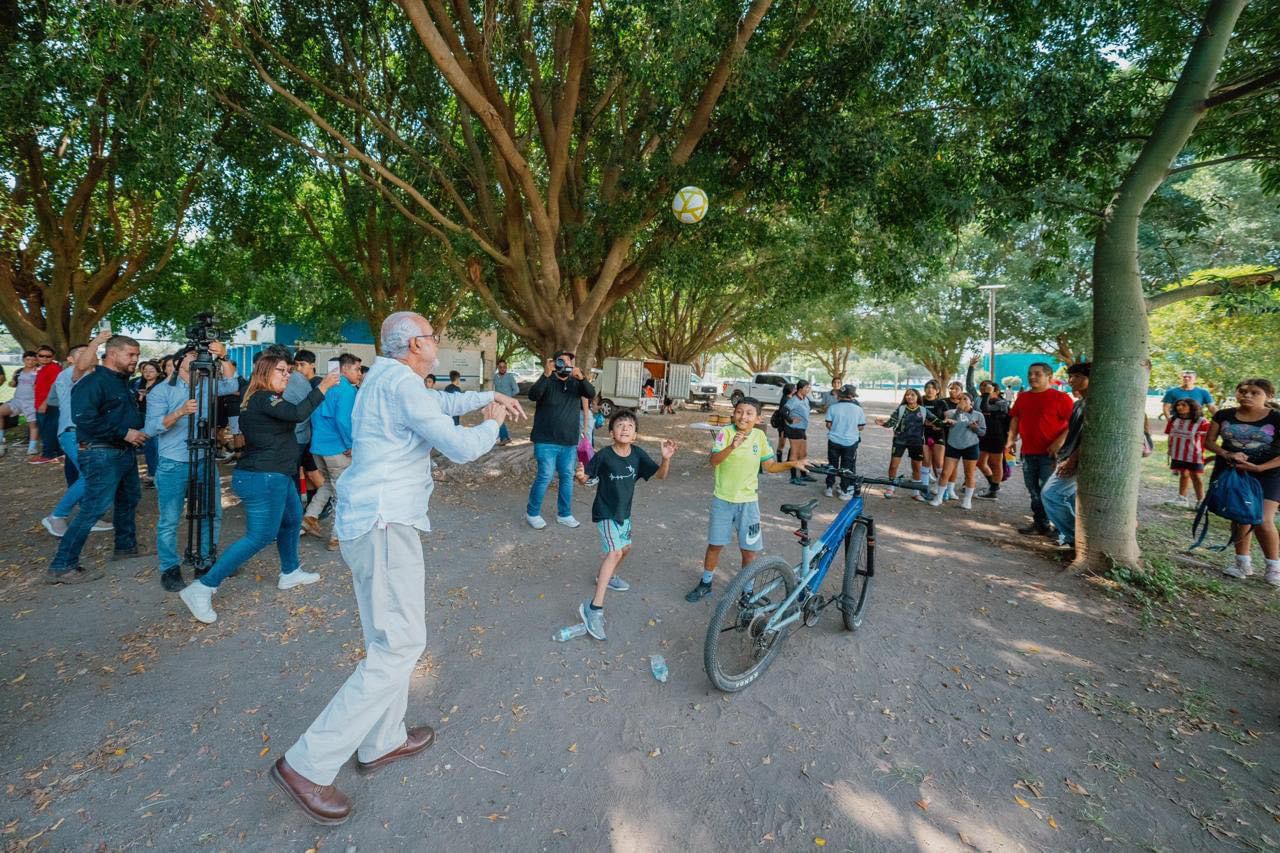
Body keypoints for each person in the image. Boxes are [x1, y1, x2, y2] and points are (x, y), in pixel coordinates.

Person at [268, 311, 521, 825]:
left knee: (388, 642)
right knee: (400, 645)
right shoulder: (400, 384)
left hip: (375, 521)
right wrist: (493, 421)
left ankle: (382, 740)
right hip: (385, 524)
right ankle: (307, 764)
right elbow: (458, 446)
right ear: (412, 345)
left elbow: (439, 404)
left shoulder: (391, 377)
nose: (438, 340)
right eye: (431, 335)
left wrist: (483, 398)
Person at [176, 355, 339, 620]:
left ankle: (290, 571)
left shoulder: (267, 398)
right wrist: (323, 386)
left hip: (278, 474)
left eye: (289, 371)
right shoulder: (264, 398)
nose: (287, 375)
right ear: (264, 372)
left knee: (292, 520)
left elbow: (289, 418)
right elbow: (297, 415)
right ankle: (203, 587)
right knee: (260, 535)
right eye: (282, 371)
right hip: (263, 477)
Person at [684, 397, 808, 602]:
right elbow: (714, 461)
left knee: (749, 551)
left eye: (749, 413)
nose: (743, 416)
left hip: (749, 503)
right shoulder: (725, 433)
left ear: (758, 417)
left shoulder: (759, 437)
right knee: (715, 545)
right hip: (722, 500)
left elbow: (769, 467)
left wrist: (792, 464)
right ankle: (706, 583)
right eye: (739, 411)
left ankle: (747, 590)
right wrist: (732, 446)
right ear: (734, 414)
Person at [46, 335, 148, 584]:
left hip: (123, 451)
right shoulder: (93, 381)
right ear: (112, 354)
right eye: (131, 355)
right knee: (94, 507)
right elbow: (84, 418)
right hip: (100, 452)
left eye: (137, 354)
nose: (136, 360)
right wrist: (125, 432)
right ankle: (62, 565)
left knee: (129, 498)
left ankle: (125, 548)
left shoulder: (122, 382)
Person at [574, 410, 676, 639]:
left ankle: (607, 578)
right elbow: (585, 479)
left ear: (635, 434)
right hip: (605, 512)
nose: (625, 428)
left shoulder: (637, 455)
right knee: (615, 552)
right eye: (620, 425)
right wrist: (581, 476)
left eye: (629, 425)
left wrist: (666, 458)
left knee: (626, 549)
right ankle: (594, 609)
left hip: (624, 514)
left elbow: (660, 476)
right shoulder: (603, 456)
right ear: (611, 433)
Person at [145, 343, 238, 591]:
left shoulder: (207, 384)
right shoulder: (161, 391)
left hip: (204, 459)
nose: (197, 358)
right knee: (170, 518)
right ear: (177, 362)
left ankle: (206, 560)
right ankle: (169, 568)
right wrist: (179, 413)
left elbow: (232, 384)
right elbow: (151, 428)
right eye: (191, 355)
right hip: (174, 462)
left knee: (212, 512)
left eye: (199, 354)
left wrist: (224, 355)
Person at [1204, 378, 1280, 583]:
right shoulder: (1223, 415)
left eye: (1254, 392)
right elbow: (1209, 442)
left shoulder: (1277, 418)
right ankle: (1242, 563)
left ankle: (1274, 567)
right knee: (1240, 516)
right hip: (1233, 471)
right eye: (1243, 391)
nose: (1246, 395)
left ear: (1268, 396)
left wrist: (1259, 467)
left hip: (1269, 472)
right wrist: (1227, 453)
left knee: (1263, 520)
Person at [42, 334, 114, 538]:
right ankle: (56, 516)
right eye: (82, 353)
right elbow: (82, 367)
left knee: (93, 474)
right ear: (71, 359)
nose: (89, 355)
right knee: (92, 475)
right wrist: (96, 341)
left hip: (94, 433)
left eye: (91, 352)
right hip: (73, 432)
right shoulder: (66, 375)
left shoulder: (98, 378)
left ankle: (89, 517)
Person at [525, 351, 595, 530]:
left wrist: (581, 378)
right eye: (561, 361)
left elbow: (590, 393)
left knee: (566, 477)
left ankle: (564, 514)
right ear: (553, 363)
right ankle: (532, 513)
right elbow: (533, 395)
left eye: (569, 360)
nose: (565, 364)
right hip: (545, 440)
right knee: (545, 476)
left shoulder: (576, 383)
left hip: (569, 442)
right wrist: (545, 375)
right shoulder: (547, 380)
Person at [1005, 362, 1074, 536]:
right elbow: (1015, 418)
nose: (1032, 377)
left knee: (1049, 492)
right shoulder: (1023, 397)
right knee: (1034, 491)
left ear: (1049, 377)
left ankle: (1062, 530)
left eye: (1037, 374)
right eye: (1030, 373)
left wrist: (1059, 441)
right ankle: (1041, 524)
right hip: (1028, 453)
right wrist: (1011, 439)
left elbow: (1074, 424)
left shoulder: (1061, 398)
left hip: (1051, 455)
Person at [304, 353, 362, 550]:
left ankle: (310, 516)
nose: (359, 374)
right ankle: (337, 537)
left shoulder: (325, 385)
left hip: (318, 447)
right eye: (356, 369)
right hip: (337, 449)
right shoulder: (346, 390)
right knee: (344, 493)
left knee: (328, 484)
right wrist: (350, 444)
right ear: (345, 369)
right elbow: (343, 421)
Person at [1039, 363, 1090, 553]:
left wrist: (1072, 460)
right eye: (1071, 376)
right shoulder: (1079, 404)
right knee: (1067, 498)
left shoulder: (1094, 405)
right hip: (1067, 457)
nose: (1071, 380)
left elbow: (1090, 438)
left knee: (1051, 495)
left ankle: (1073, 538)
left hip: (1077, 461)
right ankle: (1073, 537)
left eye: (1077, 376)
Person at [929, 392, 987, 510]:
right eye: (960, 399)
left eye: (965, 399)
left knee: (969, 474)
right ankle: (939, 498)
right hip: (953, 445)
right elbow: (946, 425)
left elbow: (982, 432)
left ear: (971, 402)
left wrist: (975, 428)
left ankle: (967, 501)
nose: (962, 401)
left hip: (970, 446)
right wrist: (957, 413)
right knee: (946, 472)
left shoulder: (978, 415)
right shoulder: (951, 413)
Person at [877, 389, 937, 499]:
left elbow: (936, 421)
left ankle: (916, 492)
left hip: (916, 442)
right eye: (907, 395)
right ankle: (891, 487)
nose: (909, 397)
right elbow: (891, 422)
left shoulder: (923, 410)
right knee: (893, 465)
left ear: (918, 397)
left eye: (912, 395)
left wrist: (947, 422)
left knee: (916, 468)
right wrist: (883, 424)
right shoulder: (901, 409)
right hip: (899, 441)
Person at [966, 358, 1010, 500]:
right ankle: (993, 485)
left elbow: (986, 408)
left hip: (997, 436)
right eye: (982, 387)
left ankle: (993, 490)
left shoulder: (1002, 403)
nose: (983, 389)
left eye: (987, 387)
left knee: (995, 463)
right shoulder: (979, 398)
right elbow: (969, 386)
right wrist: (971, 367)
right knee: (979, 462)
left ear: (995, 390)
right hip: (982, 434)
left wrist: (986, 395)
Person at [287, 349, 325, 498]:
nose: (299, 368)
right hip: (304, 435)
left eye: (303, 364)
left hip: (313, 435)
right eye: (297, 365)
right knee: (307, 472)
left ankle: (326, 501)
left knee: (313, 473)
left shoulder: (319, 384)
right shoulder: (298, 382)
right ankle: (311, 504)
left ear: (313, 365)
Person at [1164, 398, 1211, 507]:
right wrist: (1169, 449)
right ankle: (1182, 498)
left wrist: (1202, 452)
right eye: (1178, 405)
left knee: (1196, 476)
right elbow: (1170, 435)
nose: (1179, 407)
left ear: (1192, 407)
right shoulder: (1173, 420)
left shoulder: (1201, 421)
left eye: (1183, 405)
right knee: (1183, 474)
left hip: (1194, 454)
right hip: (1178, 453)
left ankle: (1201, 501)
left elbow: (1206, 439)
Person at [823, 384, 866, 499]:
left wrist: (837, 428)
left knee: (832, 464)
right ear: (851, 396)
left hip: (834, 440)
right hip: (850, 441)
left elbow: (828, 424)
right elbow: (861, 427)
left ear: (840, 395)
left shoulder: (832, 407)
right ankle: (844, 490)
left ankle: (829, 487)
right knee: (846, 466)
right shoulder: (858, 409)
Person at [31, 345, 63, 464]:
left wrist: (45, 403)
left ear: (53, 357)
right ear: (37, 356)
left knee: (48, 430)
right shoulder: (42, 368)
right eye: (41, 356)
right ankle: (58, 453)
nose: (44, 358)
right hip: (40, 403)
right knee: (48, 429)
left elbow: (54, 387)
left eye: (48, 356)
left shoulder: (53, 368)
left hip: (49, 405)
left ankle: (47, 454)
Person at [133, 360, 163, 486]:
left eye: (151, 371)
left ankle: (157, 475)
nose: (148, 373)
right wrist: (140, 397)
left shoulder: (161, 385)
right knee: (149, 447)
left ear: (157, 372)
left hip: (156, 419)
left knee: (155, 447)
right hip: (143, 418)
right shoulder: (139, 384)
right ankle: (152, 473)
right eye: (145, 371)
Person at [4, 352, 40, 455]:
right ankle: (1, 441)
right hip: (17, 400)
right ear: (23, 360)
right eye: (28, 360)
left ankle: (32, 447)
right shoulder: (18, 371)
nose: (30, 362)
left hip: (31, 401)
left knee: (33, 424)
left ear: (36, 361)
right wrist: (12, 383)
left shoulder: (38, 371)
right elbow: (13, 383)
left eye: (33, 360)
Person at [783, 379, 815, 486]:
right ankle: (793, 477)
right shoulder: (794, 400)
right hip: (794, 429)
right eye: (807, 388)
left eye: (809, 387)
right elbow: (783, 411)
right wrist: (791, 420)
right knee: (794, 453)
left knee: (803, 453)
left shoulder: (805, 398)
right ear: (800, 389)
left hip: (801, 429)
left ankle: (803, 474)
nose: (808, 389)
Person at [919, 379, 948, 491]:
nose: (930, 390)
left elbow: (946, 418)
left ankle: (941, 487)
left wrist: (940, 424)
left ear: (937, 391)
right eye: (928, 388)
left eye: (933, 388)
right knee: (925, 461)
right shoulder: (920, 401)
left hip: (938, 434)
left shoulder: (942, 403)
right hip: (924, 434)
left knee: (939, 463)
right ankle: (924, 488)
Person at [491, 359, 519, 445]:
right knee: (497, 419)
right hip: (497, 402)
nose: (502, 368)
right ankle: (505, 437)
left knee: (498, 419)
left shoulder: (510, 377)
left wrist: (508, 398)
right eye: (500, 367)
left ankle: (504, 438)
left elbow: (516, 390)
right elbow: (494, 389)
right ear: (498, 368)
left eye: (504, 367)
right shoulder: (495, 377)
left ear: (506, 368)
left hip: (506, 403)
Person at [770, 382, 796, 462]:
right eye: (794, 388)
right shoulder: (786, 400)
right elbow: (783, 413)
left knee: (788, 444)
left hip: (785, 426)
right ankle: (779, 462)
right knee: (781, 444)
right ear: (790, 390)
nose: (796, 390)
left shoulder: (788, 398)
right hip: (783, 426)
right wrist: (791, 421)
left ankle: (786, 461)